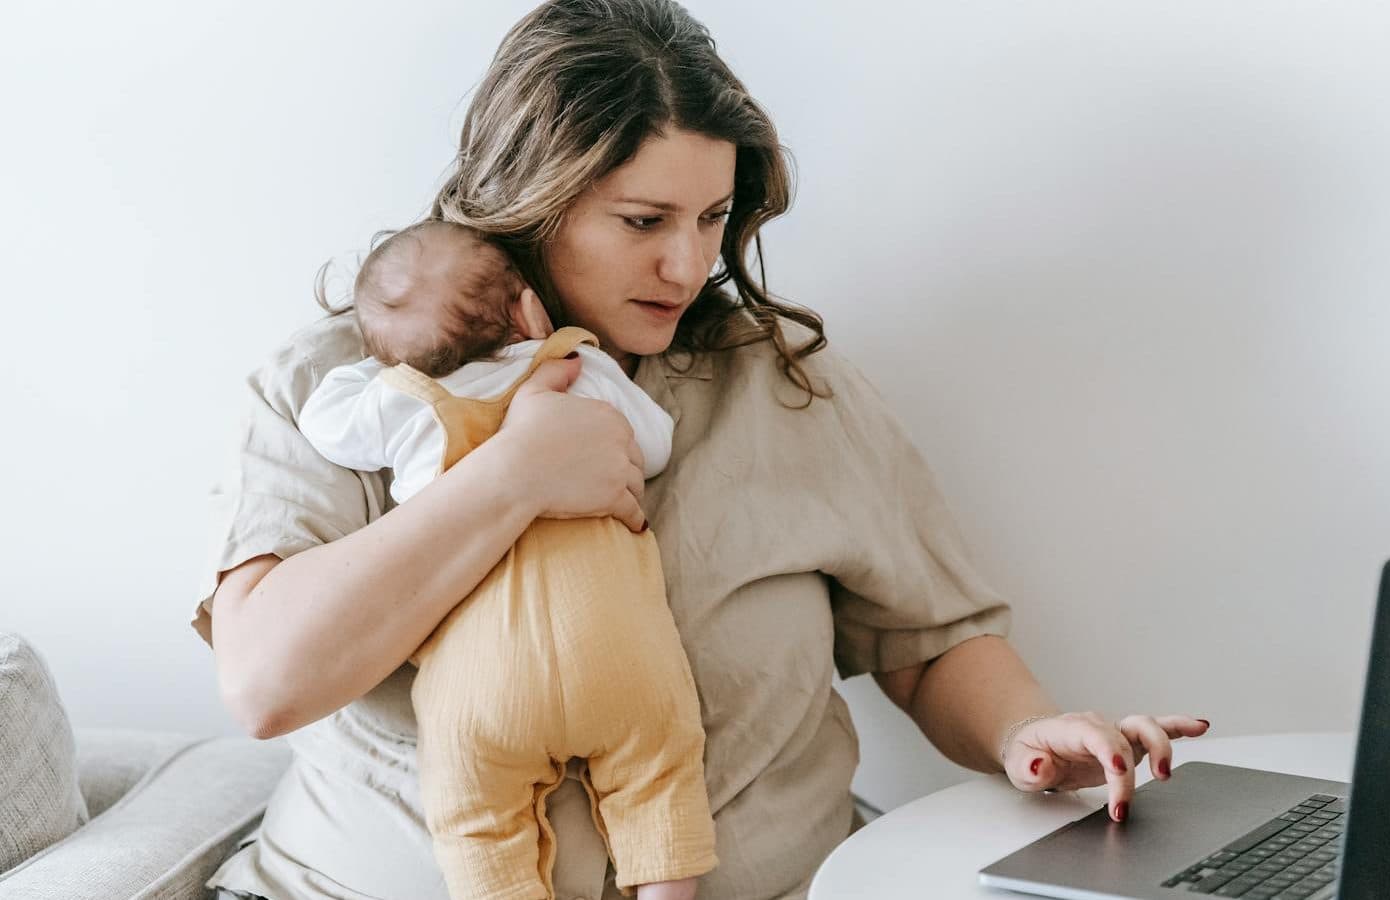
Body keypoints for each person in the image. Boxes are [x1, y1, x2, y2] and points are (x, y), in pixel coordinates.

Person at [194, 2, 1210, 898]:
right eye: (643, 221)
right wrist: (508, 480)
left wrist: (1021, 734)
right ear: (529, 199)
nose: (686, 263)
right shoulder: (343, 388)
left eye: (713, 219)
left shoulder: (784, 384)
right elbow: (268, 683)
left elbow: (929, 639)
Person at [297, 220, 713, 900]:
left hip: (482, 683)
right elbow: (655, 443)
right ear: (527, 307)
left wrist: (389, 362)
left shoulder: (406, 403)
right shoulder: (575, 366)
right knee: (661, 776)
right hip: (615, 649)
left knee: (477, 821)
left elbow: (326, 421)